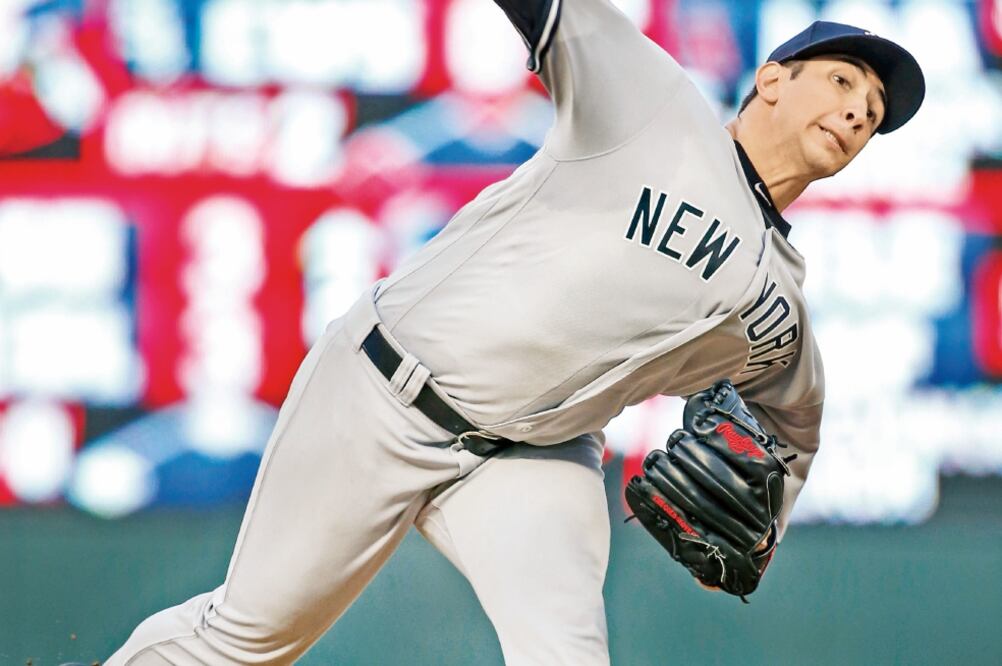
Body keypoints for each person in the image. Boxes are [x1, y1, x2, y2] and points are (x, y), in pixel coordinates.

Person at [105, 2, 925, 664]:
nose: (858, 107)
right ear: (772, 79)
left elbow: (793, 431)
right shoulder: (654, 104)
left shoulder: (781, 309)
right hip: (388, 389)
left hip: (536, 455)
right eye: (843, 78)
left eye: (875, 109)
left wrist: (756, 539)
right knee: (248, 641)